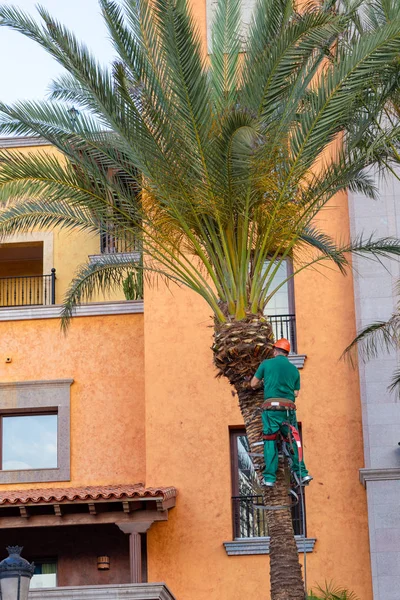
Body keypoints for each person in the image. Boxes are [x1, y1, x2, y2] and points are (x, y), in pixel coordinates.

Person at [251, 338, 312, 488]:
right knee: (292, 440)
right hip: (288, 410)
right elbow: (296, 393)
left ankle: (270, 478)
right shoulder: (293, 370)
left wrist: (266, 383)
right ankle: (302, 473)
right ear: (287, 353)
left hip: (271, 409)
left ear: (275, 350)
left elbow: (253, 384)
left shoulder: (266, 364)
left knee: (270, 439)